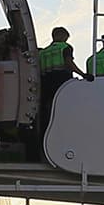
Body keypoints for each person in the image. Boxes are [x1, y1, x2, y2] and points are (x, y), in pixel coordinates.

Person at [34, 26, 77, 157]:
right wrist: (83, 74)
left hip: (46, 83)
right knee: (63, 113)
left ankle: (43, 143)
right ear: (63, 36)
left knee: (46, 114)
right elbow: (69, 63)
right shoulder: (65, 47)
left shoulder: (43, 52)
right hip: (62, 83)